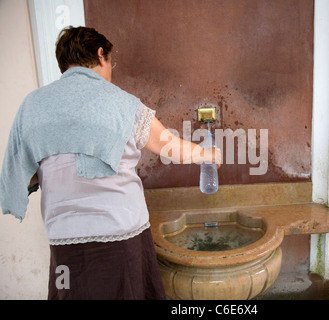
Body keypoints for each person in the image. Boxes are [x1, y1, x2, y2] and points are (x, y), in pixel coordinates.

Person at [0, 26, 221, 300]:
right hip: (120, 234)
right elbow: (167, 145)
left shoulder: (32, 105)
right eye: (111, 63)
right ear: (100, 54)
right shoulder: (122, 103)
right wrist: (206, 154)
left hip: (64, 239)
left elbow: (24, 172)